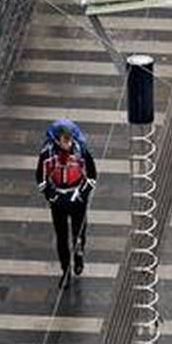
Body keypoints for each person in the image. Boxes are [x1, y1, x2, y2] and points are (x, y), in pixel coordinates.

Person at [34, 120, 97, 282]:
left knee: (79, 233)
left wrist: (81, 194)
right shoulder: (47, 154)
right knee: (61, 237)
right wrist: (54, 196)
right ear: (57, 140)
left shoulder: (81, 151)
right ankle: (65, 270)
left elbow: (91, 176)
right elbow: (41, 179)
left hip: (77, 198)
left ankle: (79, 254)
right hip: (59, 200)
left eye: (69, 140)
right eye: (64, 141)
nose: (68, 144)